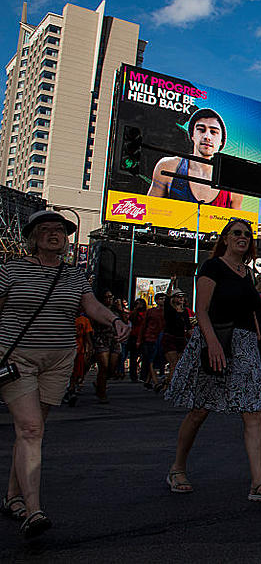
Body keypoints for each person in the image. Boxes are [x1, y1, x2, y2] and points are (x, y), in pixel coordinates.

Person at [0, 210, 129, 538]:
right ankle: (33, 510)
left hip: (59, 362)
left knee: (32, 430)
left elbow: (93, 306)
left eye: (60, 230)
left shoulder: (74, 276)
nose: (54, 234)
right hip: (18, 358)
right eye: (46, 229)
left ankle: (13, 496)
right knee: (30, 429)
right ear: (34, 236)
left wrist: (114, 320)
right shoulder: (12, 269)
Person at [164, 219, 261, 503]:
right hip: (216, 340)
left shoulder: (247, 274)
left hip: (245, 345)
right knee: (200, 410)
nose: (243, 237)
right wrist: (213, 343)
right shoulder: (213, 266)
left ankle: (258, 483)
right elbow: (201, 310)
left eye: (247, 234)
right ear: (226, 238)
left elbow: (252, 314)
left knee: (253, 411)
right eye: (237, 233)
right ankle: (177, 469)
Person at [148, 108, 243, 209]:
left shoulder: (232, 183)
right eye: (201, 130)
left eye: (213, 132)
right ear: (192, 135)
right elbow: (149, 211)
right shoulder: (168, 166)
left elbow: (238, 224)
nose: (207, 136)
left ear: (221, 141)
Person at [92, 291, 123, 402]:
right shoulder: (98, 310)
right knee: (103, 367)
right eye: (107, 297)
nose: (109, 299)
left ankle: (99, 383)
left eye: (111, 297)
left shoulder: (116, 311)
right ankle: (102, 393)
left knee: (112, 368)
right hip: (102, 339)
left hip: (114, 340)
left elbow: (125, 321)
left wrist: (120, 308)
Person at [160, 290, 191, 389]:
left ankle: (167, 382)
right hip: (170, 338)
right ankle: (171, 386)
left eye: (182, 296)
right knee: (174, 363)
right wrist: (172, 282)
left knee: (179, 363)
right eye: (178, 296)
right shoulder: (169, 310)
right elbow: (167, 298)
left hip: (181, 339)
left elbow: (188, 327)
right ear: (173, 298)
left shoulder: (185, 311)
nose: (181, 298)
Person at [138, 292, 166, 390]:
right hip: (149, 337)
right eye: (161, 299)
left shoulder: (167, 312)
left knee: (155, 359)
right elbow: (143, 325)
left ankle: (148, 380)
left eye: (164, 299)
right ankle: (154, 381)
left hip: (161, 338)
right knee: (150, 359)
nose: (163, 300)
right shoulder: (151, 311)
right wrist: (139, 339)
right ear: (156, 301)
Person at [126, 298, 147, 382]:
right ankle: (135, 376)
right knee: (134, 357)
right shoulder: (133, 314)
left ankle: (141, 375)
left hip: (142, 336)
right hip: (134, 336)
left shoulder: (145, 314)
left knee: (143, 357)